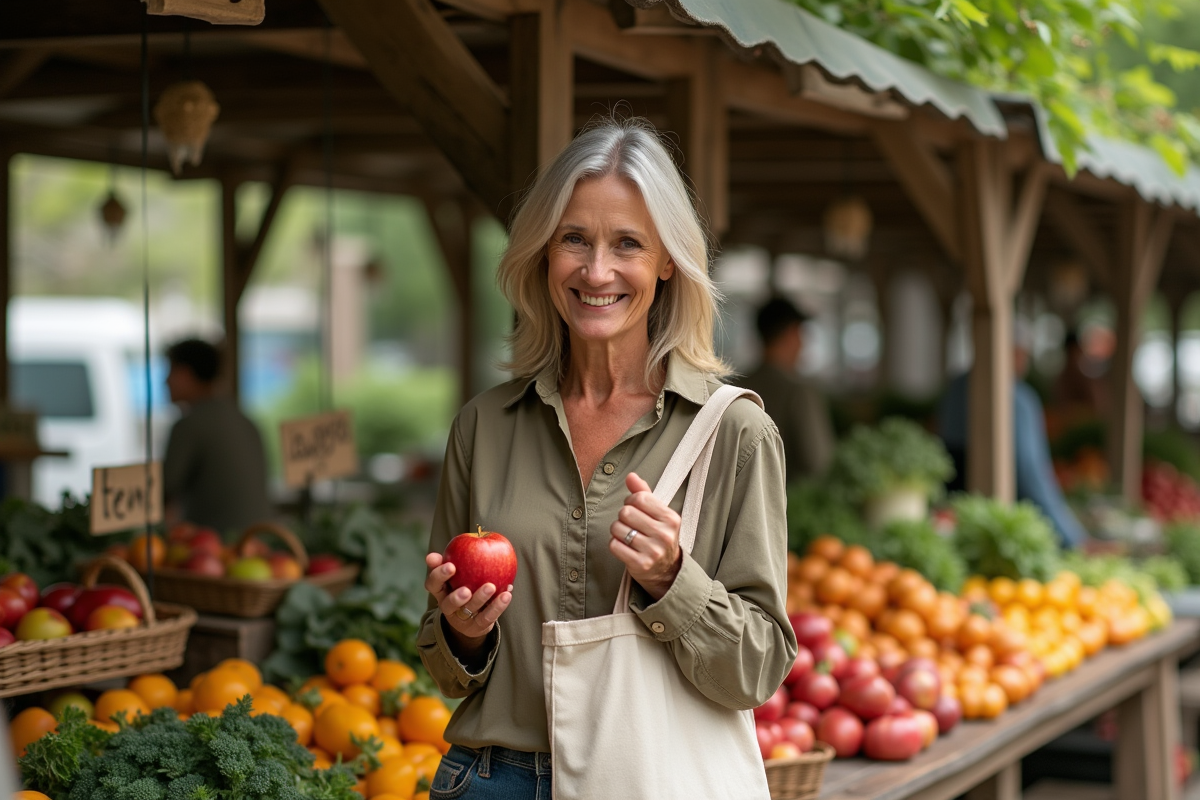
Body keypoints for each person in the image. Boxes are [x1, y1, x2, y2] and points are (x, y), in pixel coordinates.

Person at [417, 118, 797, 799]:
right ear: (543, 253)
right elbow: (443, 669)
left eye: (627, 244)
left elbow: (759, 668)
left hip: (650, 778)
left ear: (667, 261)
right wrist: (461, 633)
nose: (596, 271)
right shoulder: (485, 425)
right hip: (490, 777)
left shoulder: (733, 432)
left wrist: (674, 579)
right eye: (574, 240)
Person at [938, 340, 1088, 548]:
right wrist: (1074, 539)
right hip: (1001, 517)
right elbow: (1032, 476)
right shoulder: (1018, 398)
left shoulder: (955, 387)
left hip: (953, 516)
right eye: (1022, 355)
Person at [163, 338, 272, 533]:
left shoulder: (189, 426)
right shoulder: (246, 421)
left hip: (215, 549)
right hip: (261, 541)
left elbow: (164, 490)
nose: (166, 381)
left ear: (185, 374)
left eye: (170, 371)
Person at [739, 296, 836, 484]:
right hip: (789, 507)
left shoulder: (735, 388)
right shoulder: (798, 393)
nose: (803, 343)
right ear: (791, 334)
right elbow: (820, 464)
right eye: (801, 334)